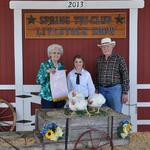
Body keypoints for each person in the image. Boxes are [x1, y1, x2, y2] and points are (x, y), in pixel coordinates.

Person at [96, 37, 129, 113]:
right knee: (103, 113)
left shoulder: (119, 59)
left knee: (116, 112)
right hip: (101, 90)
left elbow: (125, 76)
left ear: (112, 47)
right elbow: (97, 76)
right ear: (101, 48)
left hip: (115, 90)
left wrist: (125, 92)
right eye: (103, 47)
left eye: (107, 46)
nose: (105, 48)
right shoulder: (99, 60)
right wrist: (97, 89)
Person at [36, 43, 66, 109]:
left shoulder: (61, 66)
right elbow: (38, 81)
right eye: (54, 53)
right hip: (48, 97)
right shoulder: (44, 65)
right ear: (50, 54)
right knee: (48, 118)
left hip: (59, 97)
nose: (56, 55)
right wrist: (47, 72)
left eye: (58, 53)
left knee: (59, 117)